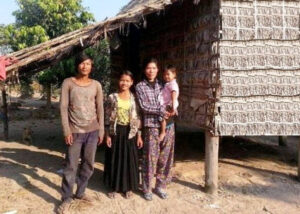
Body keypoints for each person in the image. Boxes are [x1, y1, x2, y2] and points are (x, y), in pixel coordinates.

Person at [58, 53, 104, 213]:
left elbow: (100, 108)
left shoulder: (96, 85)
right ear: (77, 65)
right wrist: (66, 130)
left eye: (89, 64)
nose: (85, 67)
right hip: (75, 132)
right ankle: (66, 197)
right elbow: (63, 107)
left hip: (92, 131)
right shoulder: (68, 83)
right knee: (71, 166)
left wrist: (101, 130)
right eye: (82, 63)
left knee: (89, 164)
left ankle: (80, 192)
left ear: (92, 66)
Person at [135, 58, 176, 201]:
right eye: (148, 68)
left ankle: (160, 186)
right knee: (150, 158)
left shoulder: (164, 85)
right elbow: (144, 107)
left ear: (158, 70)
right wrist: (161, 110)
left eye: (153, 68)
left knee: (165, 157)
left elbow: (172, 99)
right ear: (144, 70)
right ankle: (147, 188)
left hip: (168, 124)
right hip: (151, 126)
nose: (151, 71)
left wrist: (173, 108)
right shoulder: (140, 86)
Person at [104, 70, 143, 199]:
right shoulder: (112, 97)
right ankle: (114, 187)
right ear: (118, 81)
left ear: (132, 82)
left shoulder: (134, 99)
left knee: (128, 159)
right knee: (115, 158)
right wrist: (107, 135)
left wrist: (139, 135)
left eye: (127, 81)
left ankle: (127, 188)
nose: (124, 83)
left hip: (129, 132)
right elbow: (107, 117)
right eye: (122, 80)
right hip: (115, 131)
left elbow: (137, 118)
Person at [158, 65, 179, 141]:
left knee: (162, 118)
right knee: (165, 118)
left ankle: (163, 132)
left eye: (168, 74)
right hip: (168, 104)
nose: (166, 76)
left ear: (174, 74)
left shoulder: (172, 84)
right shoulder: (168, 84)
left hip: (169, 104)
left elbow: (174, 95)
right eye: (164, 75)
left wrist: (173, 107)